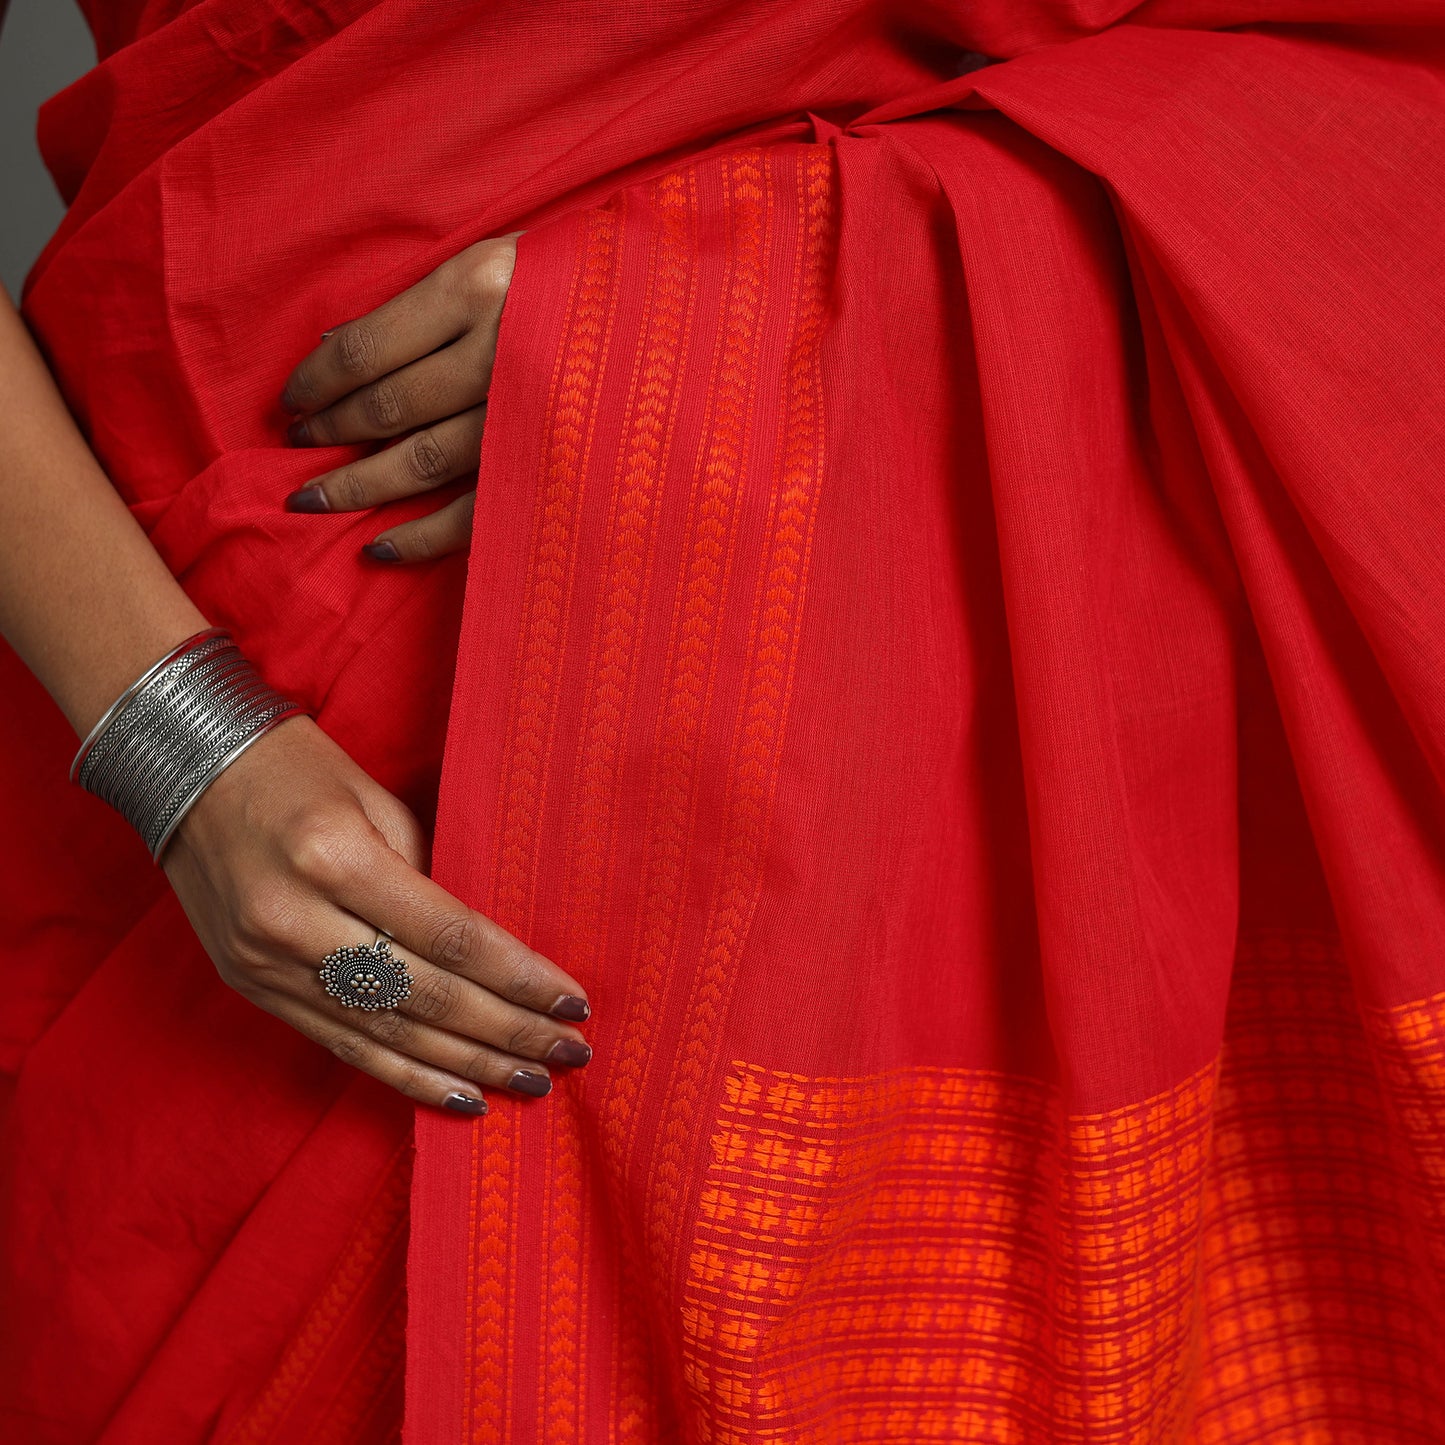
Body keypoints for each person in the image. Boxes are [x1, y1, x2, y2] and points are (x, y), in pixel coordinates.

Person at [2, 0, 1443, 1440]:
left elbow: (1365, 82)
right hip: (267, 814)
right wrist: (178, 739)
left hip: (911, 809)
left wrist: (741, 284)